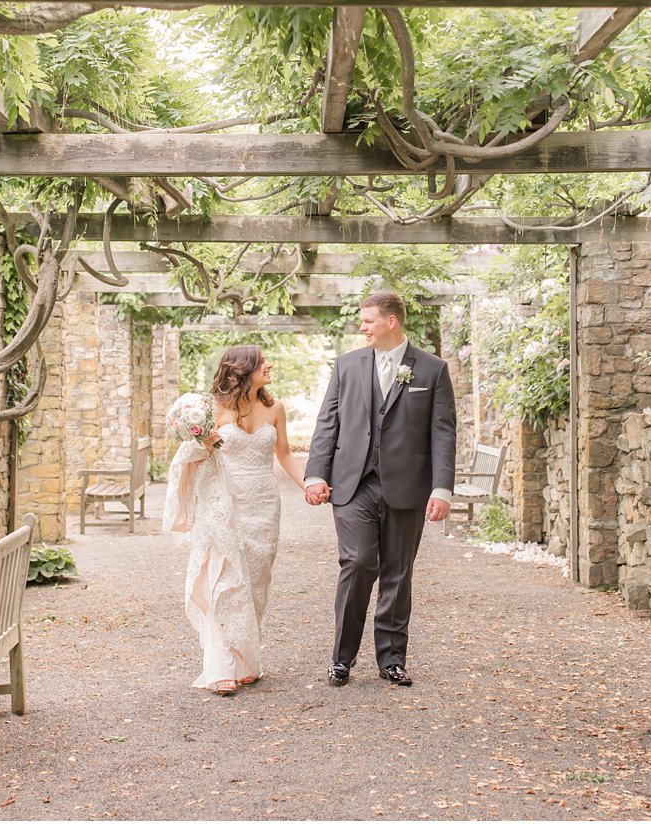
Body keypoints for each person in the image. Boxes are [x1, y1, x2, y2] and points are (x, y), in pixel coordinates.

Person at [305, 291, 456, 688]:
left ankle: (392, 659)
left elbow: (443, 433)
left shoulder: (432, 369)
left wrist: (442, 488)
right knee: (357, 563)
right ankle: (341, 658)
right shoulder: (347, 365)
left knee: (398, 571)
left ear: (392, 321)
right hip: (354, 484)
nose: (362, 326)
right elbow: (327, 423)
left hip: (408, 486)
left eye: (369, 320)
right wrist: (315, 474)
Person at [163, 345, 311, 695]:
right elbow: (196, 458)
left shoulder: (275, 408)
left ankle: (245, 661)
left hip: (263, 504)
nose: (270, 364)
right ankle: (220, 667)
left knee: (256, 581)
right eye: (263, 362)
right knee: (223, 579)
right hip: (224, 503)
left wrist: (309, 487)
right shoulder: (211, 409)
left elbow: (285, 453)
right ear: (243, 370)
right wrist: (204, 444)